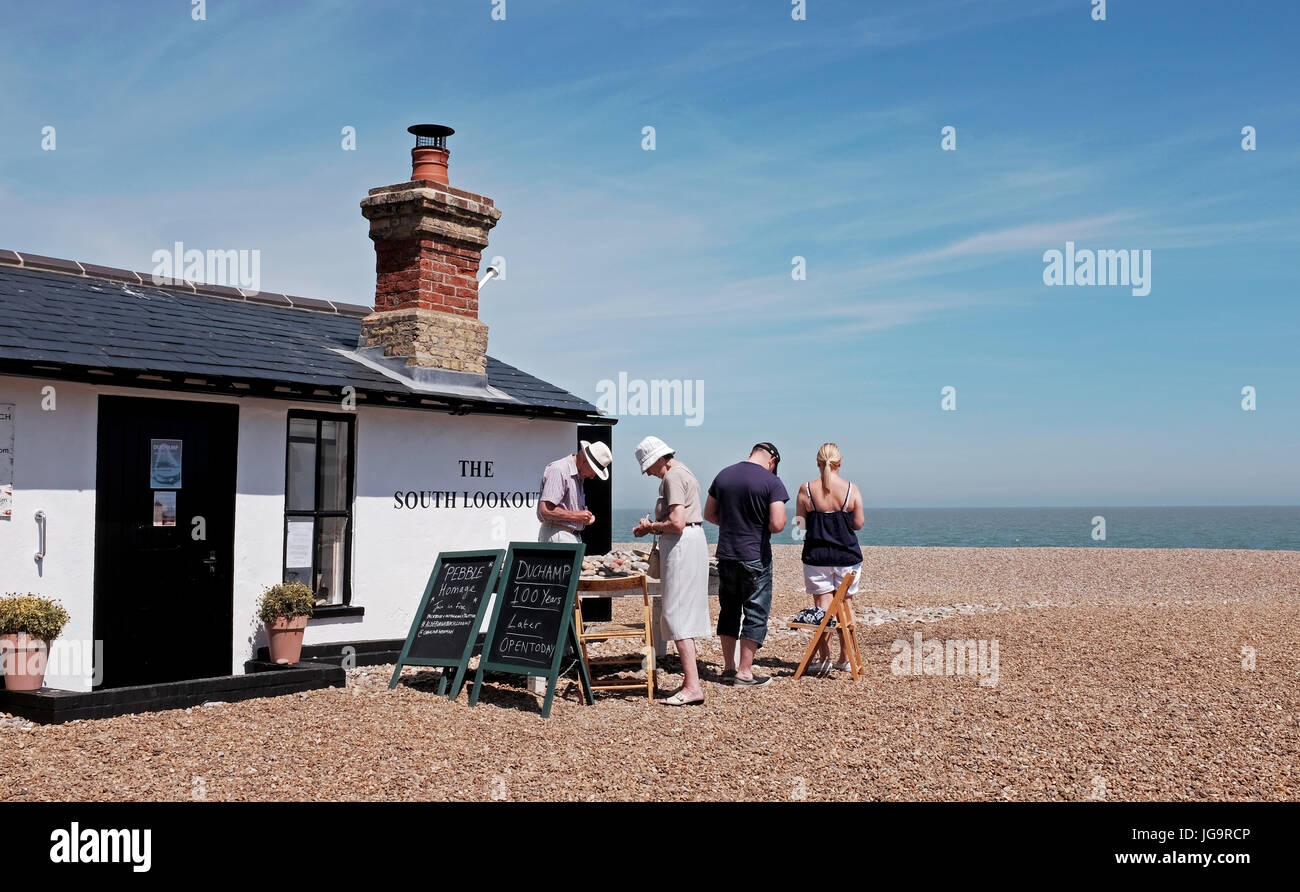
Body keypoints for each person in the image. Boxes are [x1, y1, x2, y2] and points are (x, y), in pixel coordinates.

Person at [632, 436, 710, 706]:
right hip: (690, 541)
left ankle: (692, 685)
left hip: (681, 545)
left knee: (676, 613)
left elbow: (676, 522)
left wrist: (650, 528)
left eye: (649, 467)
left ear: (658, 459)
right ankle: (691, 681)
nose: (649, 473)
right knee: (680, 611)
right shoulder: (684, 472)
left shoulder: (672, 477)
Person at [703, 442, 788, 687]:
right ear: (772, 461)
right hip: (754, 555)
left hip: (726, 554)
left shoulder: (724, 475)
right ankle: (745, 672)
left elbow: (709, 514)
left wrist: (732, 523)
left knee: (729, 609)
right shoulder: (771, 482)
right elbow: (778, 524)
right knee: (755, 611)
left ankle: (728, 667)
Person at [795, 443, 865, 673]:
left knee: (821, 610)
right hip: (847, 556)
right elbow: (858, 524)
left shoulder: (806, 489)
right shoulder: (851, 489)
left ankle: (824, 658)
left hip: (817, 556)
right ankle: (846, 659)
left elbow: (800, 524)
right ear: (840, 463)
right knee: (845, 606)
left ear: (817, 463)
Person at [536, 440, 612, 543]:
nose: (592, 476)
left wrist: (582, 517)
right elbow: (545, 510)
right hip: (557, 534)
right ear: (585, 461)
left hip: (566, 535)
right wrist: (577, 516)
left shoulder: (578, 476)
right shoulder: (559, 470)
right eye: (594, 471)